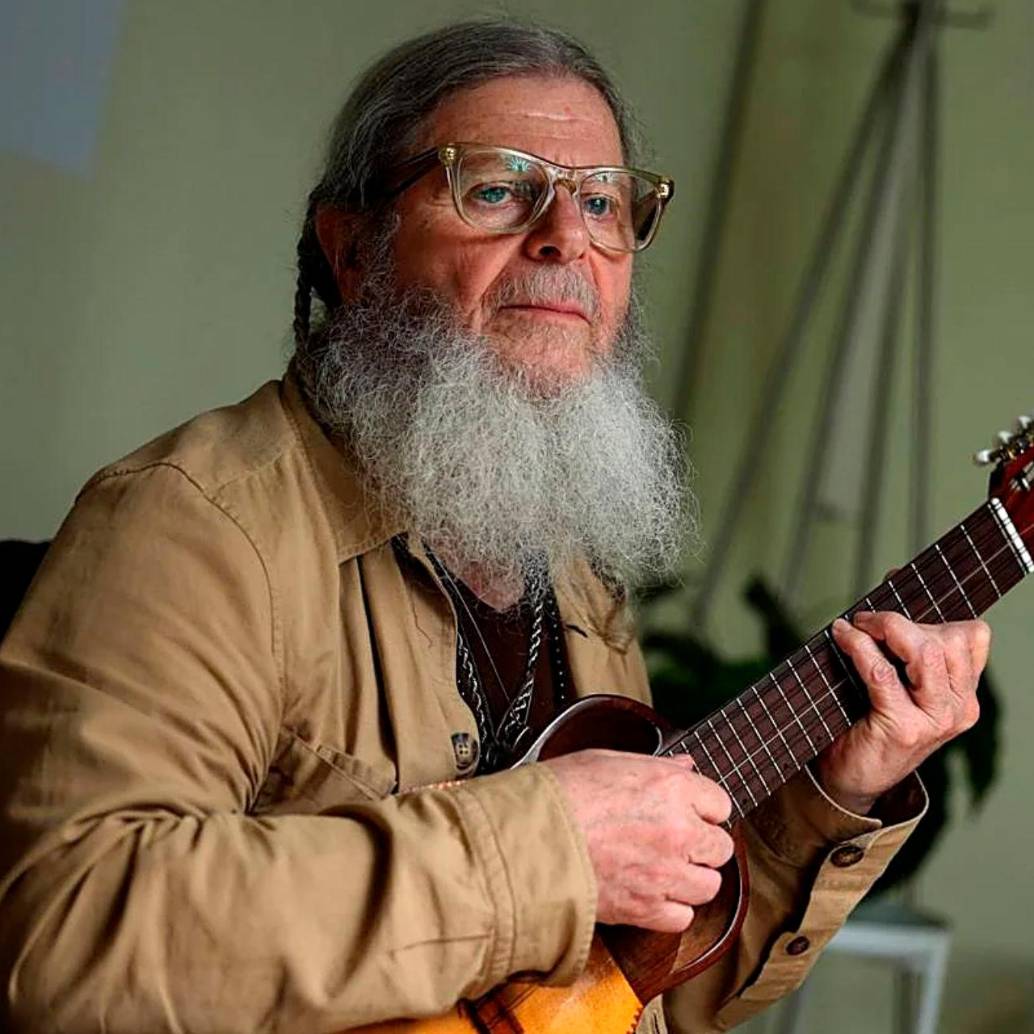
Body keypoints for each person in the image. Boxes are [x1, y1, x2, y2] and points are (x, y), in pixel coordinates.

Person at [0, 20, 989, 1034]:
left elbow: (623, 991)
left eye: (602, 201)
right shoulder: (190, 521)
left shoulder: (574, 580)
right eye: (497, 187)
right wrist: (550, 843)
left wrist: (828, 793)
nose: (565, 234)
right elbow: (66, 938)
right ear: (353, 247)